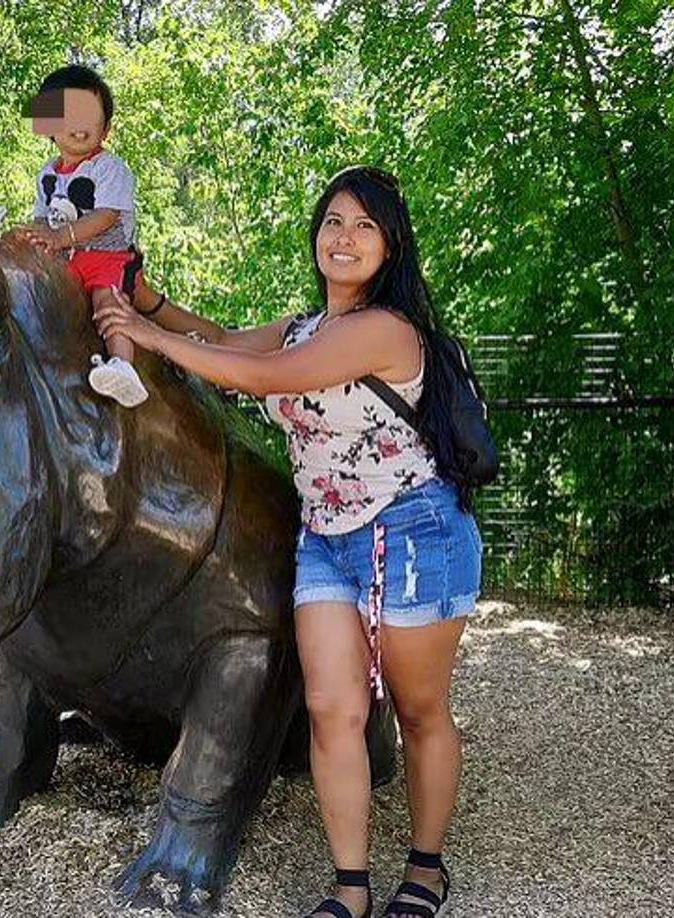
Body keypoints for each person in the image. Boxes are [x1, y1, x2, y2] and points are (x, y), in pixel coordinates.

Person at [93, 166, 481, 918]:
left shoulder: (385, 330)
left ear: (390, 246)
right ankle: (350, 891)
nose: (344, 237)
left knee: (418, 710)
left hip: (412, 533)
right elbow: (220, 341)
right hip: (327, 541)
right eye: (333, 221)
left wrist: (142, 338)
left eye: (364, 226)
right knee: (332, 710)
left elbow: (264, 376)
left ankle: (426, 869)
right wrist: (148, 302)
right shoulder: (309, 326)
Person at [16, 64, 169, 409]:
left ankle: (122, 365)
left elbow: (106, 216)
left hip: (106, 257)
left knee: (107, 304)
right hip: (68, 260)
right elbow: (44, 217)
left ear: (106, 128)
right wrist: (37, 238)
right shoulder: (47, 174)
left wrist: (60, 236)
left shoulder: (111, 168)